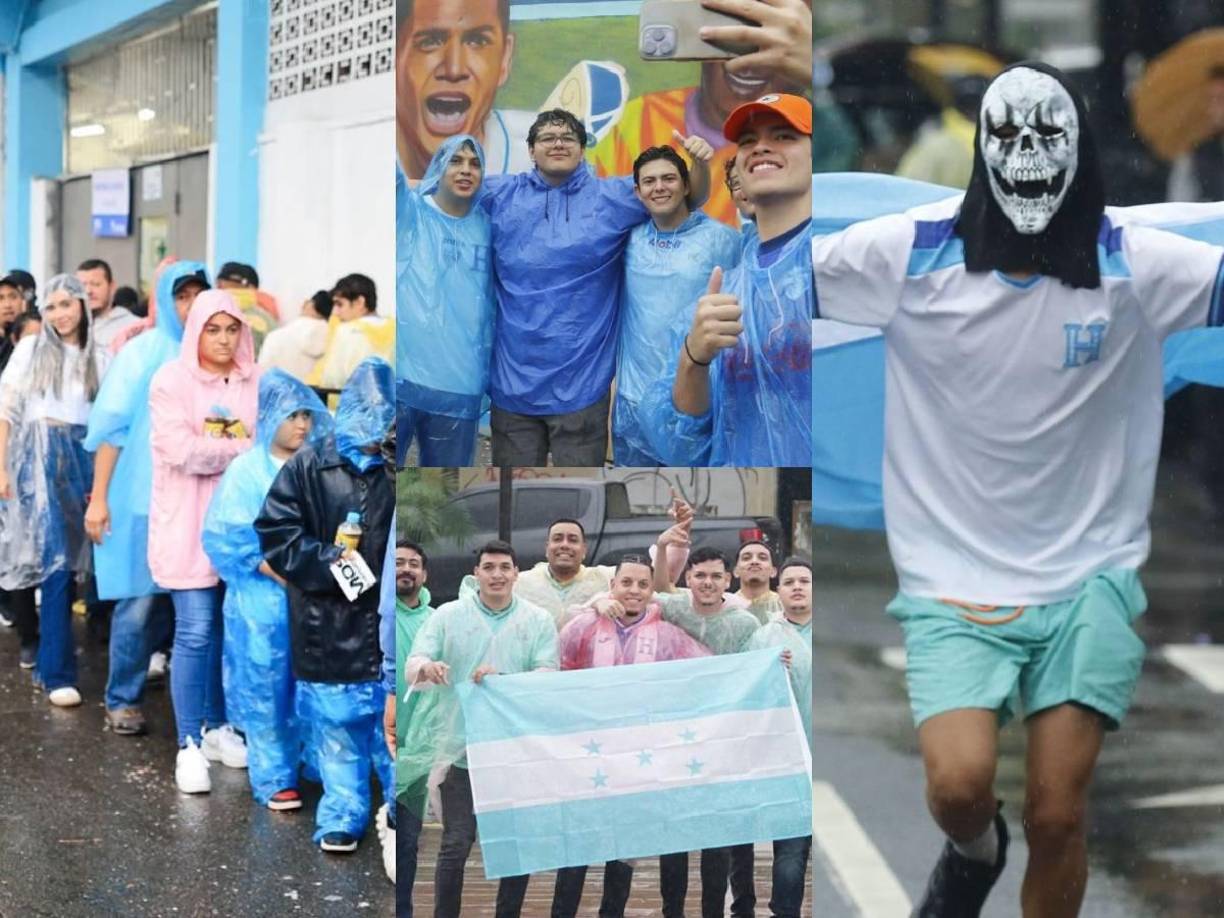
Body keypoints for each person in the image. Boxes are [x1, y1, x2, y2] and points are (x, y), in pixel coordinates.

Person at [811, 62, 1224, 917]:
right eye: (1009, 138)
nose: (1029, 157)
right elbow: (770, 283)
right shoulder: (910, 251)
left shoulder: (1134, 262)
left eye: (1048, 139)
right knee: (959, 787)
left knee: (1058, 812)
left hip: (1091, 581)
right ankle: (974, 850)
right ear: (983, 156)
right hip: (951, 582)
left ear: (1078, 151)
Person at [481, 108, 714, 466]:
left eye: (568, 137)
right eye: (547, 137)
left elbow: (684, 197)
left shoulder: (615, 197)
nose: (558, 143)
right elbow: (442, 195)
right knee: (514, 485)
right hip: (512, 386)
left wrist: (699, 164)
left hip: (582, 388)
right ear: (530, 151)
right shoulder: (499, 195)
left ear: (582, 149)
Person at [256, 357, 396, 852]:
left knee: (393, 732)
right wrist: (332, 560)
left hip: (385, 628)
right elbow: (275, 535)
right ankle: (343, 812)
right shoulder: (309, 466)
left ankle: (400, 817)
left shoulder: (399, 467)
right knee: (336, 731)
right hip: (326, 624)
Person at [643, 93, 813, 466]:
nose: (761, 148)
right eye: (748, 141)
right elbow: (686, 440)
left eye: (784, 135)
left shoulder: (838, 255)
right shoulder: (724, 296)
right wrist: (694, 358)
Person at [403, 539, 558, 917]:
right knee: (456, 842)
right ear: (476, 574)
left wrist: (503, 680)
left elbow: (548, 675)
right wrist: (428, 668)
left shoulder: (538, 620)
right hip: (459, 748)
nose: (497, 574)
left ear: (516, 574)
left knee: (513, 844)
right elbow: (415, 661)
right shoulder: (447, 616)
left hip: (513, 753)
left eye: (505, 567)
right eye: (488, 567)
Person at [86, 261, 209, 737]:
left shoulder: (216, 354)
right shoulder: (142, 353)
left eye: (200, 293)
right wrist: (99, 499)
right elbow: (111, 431)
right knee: (138, 605)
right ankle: (122, 696)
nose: (192, 305)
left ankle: (200, 711)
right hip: (140, 499)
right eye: (182, 295)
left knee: (194, 609)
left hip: (196, 503)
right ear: (163, 300)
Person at [201, 369, 333, 810]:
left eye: (307, 415)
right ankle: (275, 777)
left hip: (314, 600)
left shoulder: (319, 466)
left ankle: (320, 765)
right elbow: (226, 536)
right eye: (292, 414)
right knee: (266, 685)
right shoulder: (245, 471)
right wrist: (278, 571)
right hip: (263, 602)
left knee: (316, 681)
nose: (301, 425)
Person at [551, 556, 712, 917]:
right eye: (627, 583)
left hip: (637, 760)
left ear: (651, 590)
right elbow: (554, 670)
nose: (634, 591)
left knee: (623, 849)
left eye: (642, 584)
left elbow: (706, 673)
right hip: (587, 756)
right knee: (576, 845)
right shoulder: (584, 628)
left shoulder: (668, 637)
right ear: (612, 586)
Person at [149, 289, 261, 792]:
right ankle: (188, 744)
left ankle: (218, 727)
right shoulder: (171, 380)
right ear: (195, 330)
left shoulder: (256, 380)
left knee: (227, 628)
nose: (222, 339)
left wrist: (222, 448)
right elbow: (180, 450)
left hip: (241, 529)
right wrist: (243, 449)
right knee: (194, 629)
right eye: (212, 329)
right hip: (188, 525)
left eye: (231, 329)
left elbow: (281, 441)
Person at [590, 0, 811, 227]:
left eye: (775, 37)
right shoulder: (636, 120)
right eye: (727, 28)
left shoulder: (818, 130)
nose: (749, 60)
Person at [0, 274, 108, 704]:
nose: (61, 314)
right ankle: (59, 671)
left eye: (68, 304)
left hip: (88, 457)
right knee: (56, 563)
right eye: (52, 306)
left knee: (86, 566)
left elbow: (112, 416)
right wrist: (4, 469)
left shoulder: (101, 354)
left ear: (83, 305)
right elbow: (6, 409)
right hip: (40, 462)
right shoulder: (30, 349)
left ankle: (51, 664)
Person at [614, 145, 741, 465]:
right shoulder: (627, 239)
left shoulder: (723, 240)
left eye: (669, 178)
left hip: (693, 401)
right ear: (638, 191)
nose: (659, 187)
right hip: (633, 402)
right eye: (650, 181)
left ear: (686, 186)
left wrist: (700, 162)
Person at [397, 133, 493, 467]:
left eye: (475, 163)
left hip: (461, 385)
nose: (466, 170)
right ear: (439, 166)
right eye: (455, 160)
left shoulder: (490, 226)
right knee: (384, 485)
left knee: (442, 490)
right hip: (405, 381)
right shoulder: (410, 214)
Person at [396, 0, 532, 179]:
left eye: (477, 41)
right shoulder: (355, 160)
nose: (454, 69)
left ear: (504, 58)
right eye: (430, 41)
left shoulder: (540, 159)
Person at [746, 557, 812, 918]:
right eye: (789, 582)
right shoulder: (764, 637)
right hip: (788, 759)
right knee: (790, 853)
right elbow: (747, 693)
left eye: (805, 580)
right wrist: (768, 670)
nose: (798, 587)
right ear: (779, 590)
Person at [389, 536, 434, 914]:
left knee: (408, 840)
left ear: (424, 573)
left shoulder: (437, 622)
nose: (406, 569)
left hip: (419, 748)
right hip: (382, 737)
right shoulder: (381, 613)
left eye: (413, 563)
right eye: (398, 562)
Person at [314, 274, 394, 392]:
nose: (335, 312)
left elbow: (331, 381)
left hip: (349, 406)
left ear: (360, 302)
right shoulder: (397, 330)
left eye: (339, 304)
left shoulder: (346, 331)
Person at [258, 290, 331, 382]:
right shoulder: (333, 338)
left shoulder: (275, 336)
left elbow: (263, 375)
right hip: (316, 395)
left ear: (307, 304)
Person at [77, 258, 140, 349]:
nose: (88, 291)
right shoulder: (69, 326)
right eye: (82, 286)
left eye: (95, 284)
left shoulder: (133, 327)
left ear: (112, 287)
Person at [734, 540, 782, 622]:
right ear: (736, 571)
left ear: (773, 572)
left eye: (762, 558)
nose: (754, 561)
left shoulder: (784, 606)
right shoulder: (726, 607)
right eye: (746, 558)